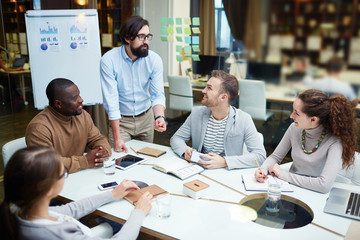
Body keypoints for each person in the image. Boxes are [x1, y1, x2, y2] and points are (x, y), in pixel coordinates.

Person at [0, 146, 152, 240]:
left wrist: (113, 194)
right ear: (49, 190)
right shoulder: (60, 234)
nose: (65, 176)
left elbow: (72, 209)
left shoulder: (19, 210)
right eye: (63, 174)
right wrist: (139, 211)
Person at [255, 89, 357, 193]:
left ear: (313, 120)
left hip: (315, 194)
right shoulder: (293, 128)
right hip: (290, 188)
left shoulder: (334, 141)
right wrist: (263, 169)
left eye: (296, 113)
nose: (291, 116)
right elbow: (275, 156)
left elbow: (323, 185)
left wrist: (283, 175)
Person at [170, 70, 266, 169]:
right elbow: (176, 138)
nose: (203, 91)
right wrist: (185, 151)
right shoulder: (197, 113)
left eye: (209, 88)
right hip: (197, 170)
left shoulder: (243, 119)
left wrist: (225, 162)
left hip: (226, 173)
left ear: (223, 97)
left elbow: (260, 156)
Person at [100, 16, 166, 153]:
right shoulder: (109, 60)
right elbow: (111, 101)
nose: (146, 41)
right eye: (141, 36)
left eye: (148, 36)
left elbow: (157, 94)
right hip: (122, 121)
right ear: (127, 38)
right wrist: (117, 137)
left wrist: (159, 116)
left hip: (146, 118)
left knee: (147, 159)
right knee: (121, 161)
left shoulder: (154, 60)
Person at [25, 78, 111, 173]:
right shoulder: (38, 128)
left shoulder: (83, 115)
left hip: (78, 175)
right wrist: (84, 161)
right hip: (53, 181)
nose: (81, 100)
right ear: (58, 104)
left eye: (79, 95)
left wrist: (103, 152)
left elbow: (98, 139)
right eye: (74, 98)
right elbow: (47, 164)